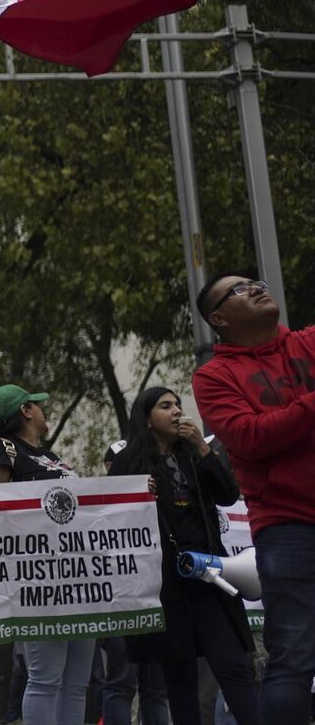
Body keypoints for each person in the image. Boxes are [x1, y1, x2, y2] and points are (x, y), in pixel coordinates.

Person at [189, 272, 315, 725]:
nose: (257, 288)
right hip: (289, 526)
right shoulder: (214, 377)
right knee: (294, 660)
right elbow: (249, 437)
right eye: (240, 289)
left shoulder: (309, 343)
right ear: (219, 317)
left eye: (255, 281)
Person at [106, 386, 258, 725]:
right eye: (165, 406)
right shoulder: (128, 461)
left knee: (233, 665)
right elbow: (113, 515)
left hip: (210, 577)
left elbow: (228, 494)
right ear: (147, 421)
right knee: (180, 675)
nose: (177, 411)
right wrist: (135, 493)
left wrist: (203, 448)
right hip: (165, 586)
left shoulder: (192, 453)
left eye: (177, 404)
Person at [0, 384, 92, 725]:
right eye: (37, 404)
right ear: (25, 411)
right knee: (46, 679)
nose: (42, 409)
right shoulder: (3, 448)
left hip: (78, 577)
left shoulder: (47, 456)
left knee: (77, 684)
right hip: (39, 582)